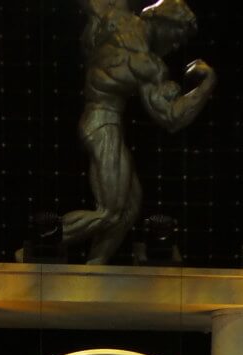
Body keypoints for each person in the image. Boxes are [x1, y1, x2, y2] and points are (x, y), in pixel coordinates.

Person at [62, 0, 217, 264]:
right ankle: (43, 241)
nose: (175, 46)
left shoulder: (115, 13)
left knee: (129, 209)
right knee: (109, 212)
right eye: (177, 37)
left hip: (103, 121)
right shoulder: (148, 64)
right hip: (102, 124)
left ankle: (93, 268)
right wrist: (208, 83)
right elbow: (172, 118)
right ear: (165, 22)